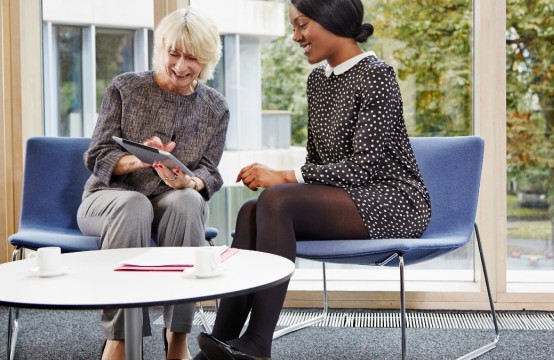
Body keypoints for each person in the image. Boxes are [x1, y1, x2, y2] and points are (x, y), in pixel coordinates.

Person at [195, 0, 431, 359]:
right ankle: (222, 339)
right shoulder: (318, 81)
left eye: (302, 24)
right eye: (294, 27)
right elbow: (317, 162)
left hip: (393, 201)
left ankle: (258, 344)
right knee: (249, 212)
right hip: (347, 202)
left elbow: (365, 166)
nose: (296, 36)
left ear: (331, 17)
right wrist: (286, 180)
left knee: (277, 199)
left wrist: (283, 177)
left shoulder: (377, 75)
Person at [76, 6, 228, 360]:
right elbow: (96, 155)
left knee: (189, 203)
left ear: (206, 59)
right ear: (162, 49)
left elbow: (211, 170)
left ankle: (177, 337)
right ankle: (121, 337)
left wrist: (190, 182)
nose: (180, 65)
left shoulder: (215, 107)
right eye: (173, 53)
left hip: (169, 203)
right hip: (108, 200)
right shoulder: (126, 88)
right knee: (134, 205)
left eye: (191, 57)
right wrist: (138, 159)